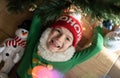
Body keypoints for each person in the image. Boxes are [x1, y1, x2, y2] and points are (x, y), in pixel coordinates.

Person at [16, 11, 104, 78]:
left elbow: (97, 47)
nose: (59, 39)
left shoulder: (71, 60)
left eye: (68, 39)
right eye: (58, 30)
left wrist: (97, 27)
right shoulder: (36, 40)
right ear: (50, 31)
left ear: (70, 46)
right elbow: (39, 14)